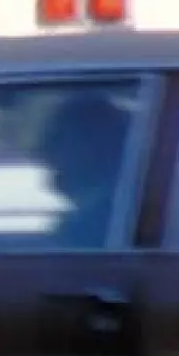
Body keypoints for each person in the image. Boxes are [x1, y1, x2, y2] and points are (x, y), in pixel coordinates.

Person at [40, 90, 132, 248]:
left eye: (58, 138)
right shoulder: (115, 213)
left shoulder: (101, 225)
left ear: (94, 146)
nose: (44, 151)